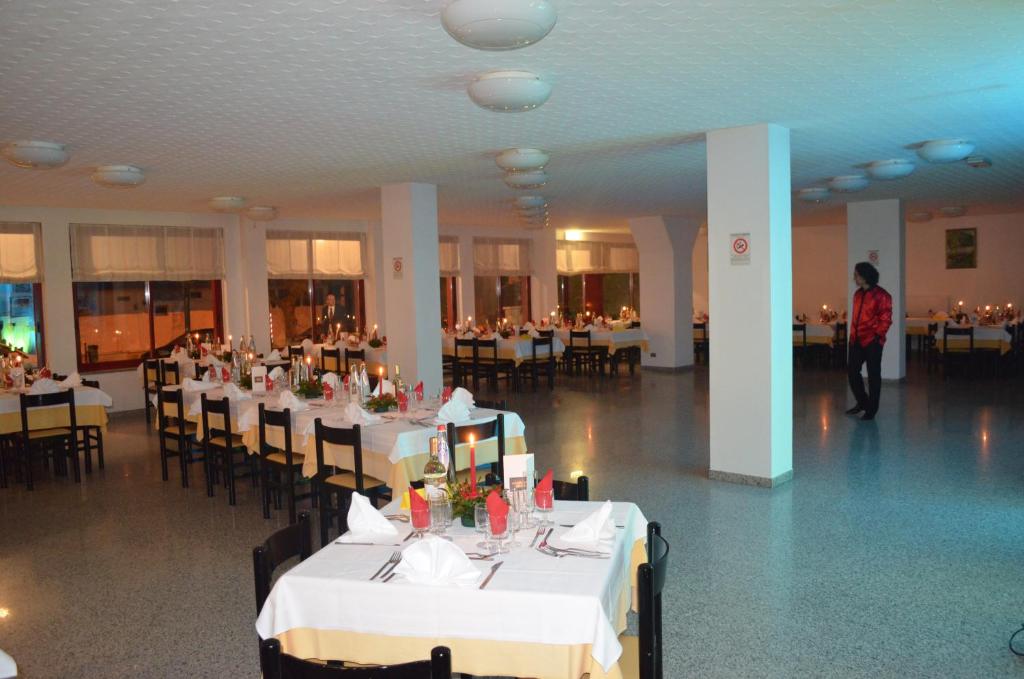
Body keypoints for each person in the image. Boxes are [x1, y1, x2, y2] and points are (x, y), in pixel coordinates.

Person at [846, 261, 892, 421]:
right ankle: (862, 402)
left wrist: (877, 337)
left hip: (872, 341)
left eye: (856, 275)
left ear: (865, 276)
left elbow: (886, 319)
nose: (854, 278)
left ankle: (871, 410)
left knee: (873, 376)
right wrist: (852, 336)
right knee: (852, 372)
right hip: (856, 340)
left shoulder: (882, 295)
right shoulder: (857, 295)